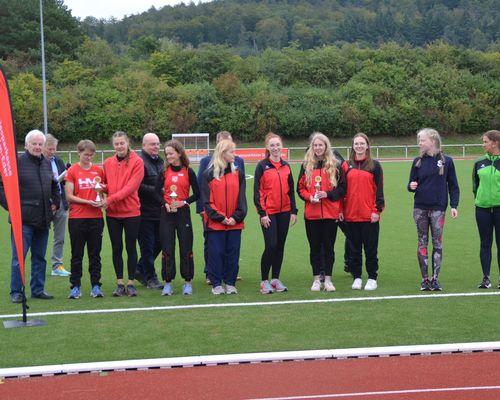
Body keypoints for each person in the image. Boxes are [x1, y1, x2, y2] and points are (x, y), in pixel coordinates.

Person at [0, 129, 60, 302]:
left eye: (40, 144)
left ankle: (38, 289)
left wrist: (56, 201)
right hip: (23, 221)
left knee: (40, 257)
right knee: (19, 258)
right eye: (34, 143)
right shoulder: (16, 164)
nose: (37, 146)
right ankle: (16, 292)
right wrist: (11, 207)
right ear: (26, 145)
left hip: (43, 219)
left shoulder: (47, 163)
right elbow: (2, 186)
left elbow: (55, 184)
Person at [408, 128, 460, 291]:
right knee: (422, 241)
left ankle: (435, 279)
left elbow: (453, 186)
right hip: (420, 208)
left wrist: (454, 205)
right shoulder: (417, 161)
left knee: (437, 243)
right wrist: (411, 186)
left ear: (433, 141)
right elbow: (411, 184)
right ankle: (425, 279)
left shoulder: (447, 161)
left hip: (438, 209)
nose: (419, 143)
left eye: (422, 140)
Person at [297, 132, 346, 292]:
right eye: (315, 145)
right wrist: (309, 197)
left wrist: (328, 195)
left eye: (321, 145)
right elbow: (300, 188)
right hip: (312, 215)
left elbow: (342, 188)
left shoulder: (336, 164)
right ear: (312, 147)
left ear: (326, 146)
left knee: (329, 248)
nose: (318, 148)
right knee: (315, 248)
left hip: (330, 214)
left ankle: (329, 280)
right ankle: (317, 279)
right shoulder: (306, 165)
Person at [196, 131, 245, 284]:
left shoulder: (239, 167)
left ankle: (229, 276)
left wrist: (236, 217)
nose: (234, 154)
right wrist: (203, 210)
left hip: (233, 218)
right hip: (213, 216)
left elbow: (241, 196)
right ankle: (210, 274)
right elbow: (201, 188)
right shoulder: (207, 165)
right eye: (231, 151)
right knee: (212, 246)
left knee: (231, 249)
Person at [253, 132, 297, 294]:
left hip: (285, 212)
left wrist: (293, 210)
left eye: (277, 145)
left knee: (280, 246)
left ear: (282, 146)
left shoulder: (286, 166)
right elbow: (257, 192)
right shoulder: (261, 166)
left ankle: (275, 279)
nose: (275, 148)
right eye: (272, 145)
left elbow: (291, 190)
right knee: (271, 245)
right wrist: (262, 213)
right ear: (267, 147)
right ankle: (264, 281)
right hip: (268, 213)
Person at [102, 131, 144, 297]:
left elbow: (131, 187)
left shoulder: (138, 162)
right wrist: (99, 188)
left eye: (122, 143)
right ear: (113, 145)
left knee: (131, 247)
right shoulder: (107, 162)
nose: (119, 146)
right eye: (116, 144)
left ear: (128, 143)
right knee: (116, 248)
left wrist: (110, 199)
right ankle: (120, 283)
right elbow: (106, 185)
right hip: (112, 213)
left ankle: (131, 283)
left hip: (131, 212)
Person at [155, 140, 199, 295]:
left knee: (186, 247)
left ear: (179, 153)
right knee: (167, 248)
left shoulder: (189, 171)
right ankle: (168, 282)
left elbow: (197, 194)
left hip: (183, 214)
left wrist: (184, 202)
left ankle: (187, 282)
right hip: (166, 214)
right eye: (166, 154)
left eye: (171, 153)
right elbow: (155, 192)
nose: (168, 156)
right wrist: (166, 204)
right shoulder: (164, 172)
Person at [341, 133, 384, 291]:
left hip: (369, 216)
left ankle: (372, 277)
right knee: (354, 249)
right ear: (353, 146)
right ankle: (357, 276)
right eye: (356, 143)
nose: (359, 146)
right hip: (351, 216)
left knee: (371, 249)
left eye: (362, 143)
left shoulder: (375, 165)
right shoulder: (346, 166)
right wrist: (341, 210)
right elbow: (342, 190)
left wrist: (376, 211)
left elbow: (379, 191)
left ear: (367, 146)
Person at [64, 140, 105, 299]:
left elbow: (101, 192)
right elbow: (69, 196)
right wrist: (88, 202)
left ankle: (96, 286)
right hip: (77, 218)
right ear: (78, 153)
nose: (88, 157)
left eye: (91, 154)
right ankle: (75, 286)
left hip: (96, 218)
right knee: (77, 254)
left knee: (95, 254)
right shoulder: (72, 171)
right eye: (86, 154)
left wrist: (101, 201)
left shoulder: (98, 171)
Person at [472, 130, 500, 289]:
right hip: (482, 210)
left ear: (495, 143)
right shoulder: (479, 163)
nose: (483, 145)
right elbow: (475, 186)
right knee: (485, 244)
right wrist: (480, 200)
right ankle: (486, 278)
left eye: (485, 142)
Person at [136, 133, 164, 290]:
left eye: (158, 144)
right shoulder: (140, 162)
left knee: (159, 243)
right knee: (147, 246)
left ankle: (139, 268)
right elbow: (138, 185)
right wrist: (158, 190)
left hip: (159, 211)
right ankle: (151, 278)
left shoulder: (160, 161)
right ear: (144, 145)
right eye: (152, 144)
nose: (156, 147)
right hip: (144, 211)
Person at [43, 134, 71, 277]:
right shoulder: (38, 162)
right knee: (39, 237)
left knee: (59, 237)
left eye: (54, 149)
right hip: (43, 204)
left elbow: (63, 182)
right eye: (49, 149)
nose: (52, 152)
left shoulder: (58, 160)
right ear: (42, 147)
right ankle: (38, 267)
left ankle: (57, 266)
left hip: (60, 202)